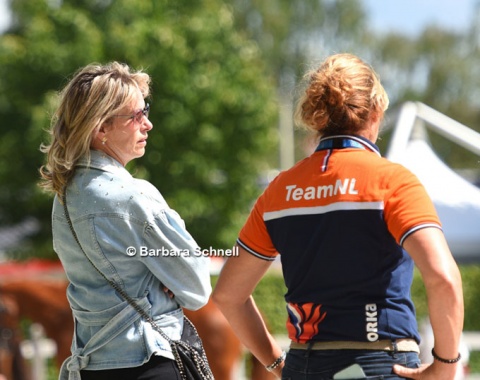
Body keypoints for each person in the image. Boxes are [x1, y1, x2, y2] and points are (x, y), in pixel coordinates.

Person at [212, 53, 464, 380]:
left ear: (318, 117)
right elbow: (443, 278)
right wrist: (445, 365)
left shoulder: (279, 191)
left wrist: (276, 363)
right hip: (380, 362)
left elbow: (228, 295)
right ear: (376, 111)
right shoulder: (392, 181)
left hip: (305, 365)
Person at [39, 62, 212, 380]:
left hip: (92, 366)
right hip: (150, 362)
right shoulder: (135, 196)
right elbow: (197, 287)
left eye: (145, 110)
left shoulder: (63, 198)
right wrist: (164, 283)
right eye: (136, 116)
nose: (148, 124)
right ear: (100, 128)